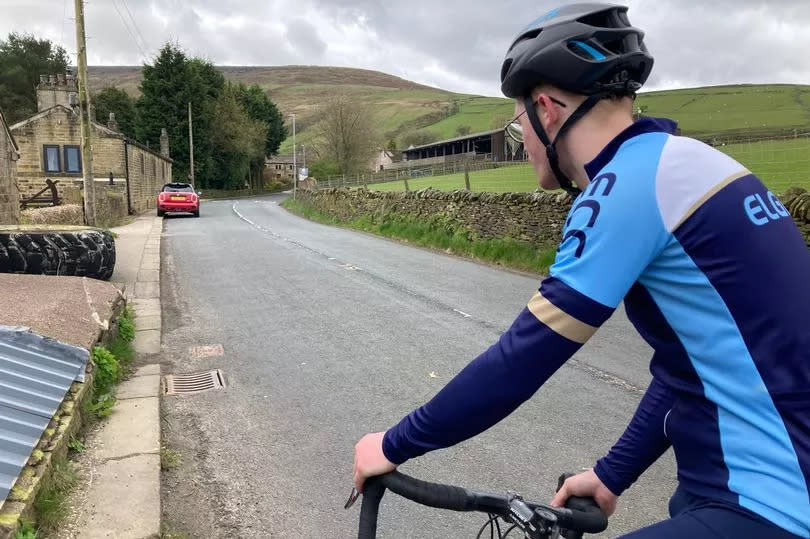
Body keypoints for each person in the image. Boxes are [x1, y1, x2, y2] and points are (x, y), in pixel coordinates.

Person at [353, 4, 810, 537]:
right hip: (736, 486)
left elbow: (524, 357)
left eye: (517, 124)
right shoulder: (691, 162)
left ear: (546, 109)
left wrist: (391, 444)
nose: (522, 143)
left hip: (773, 499)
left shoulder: (622, 186)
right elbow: (693, 366)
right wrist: (613, 474)